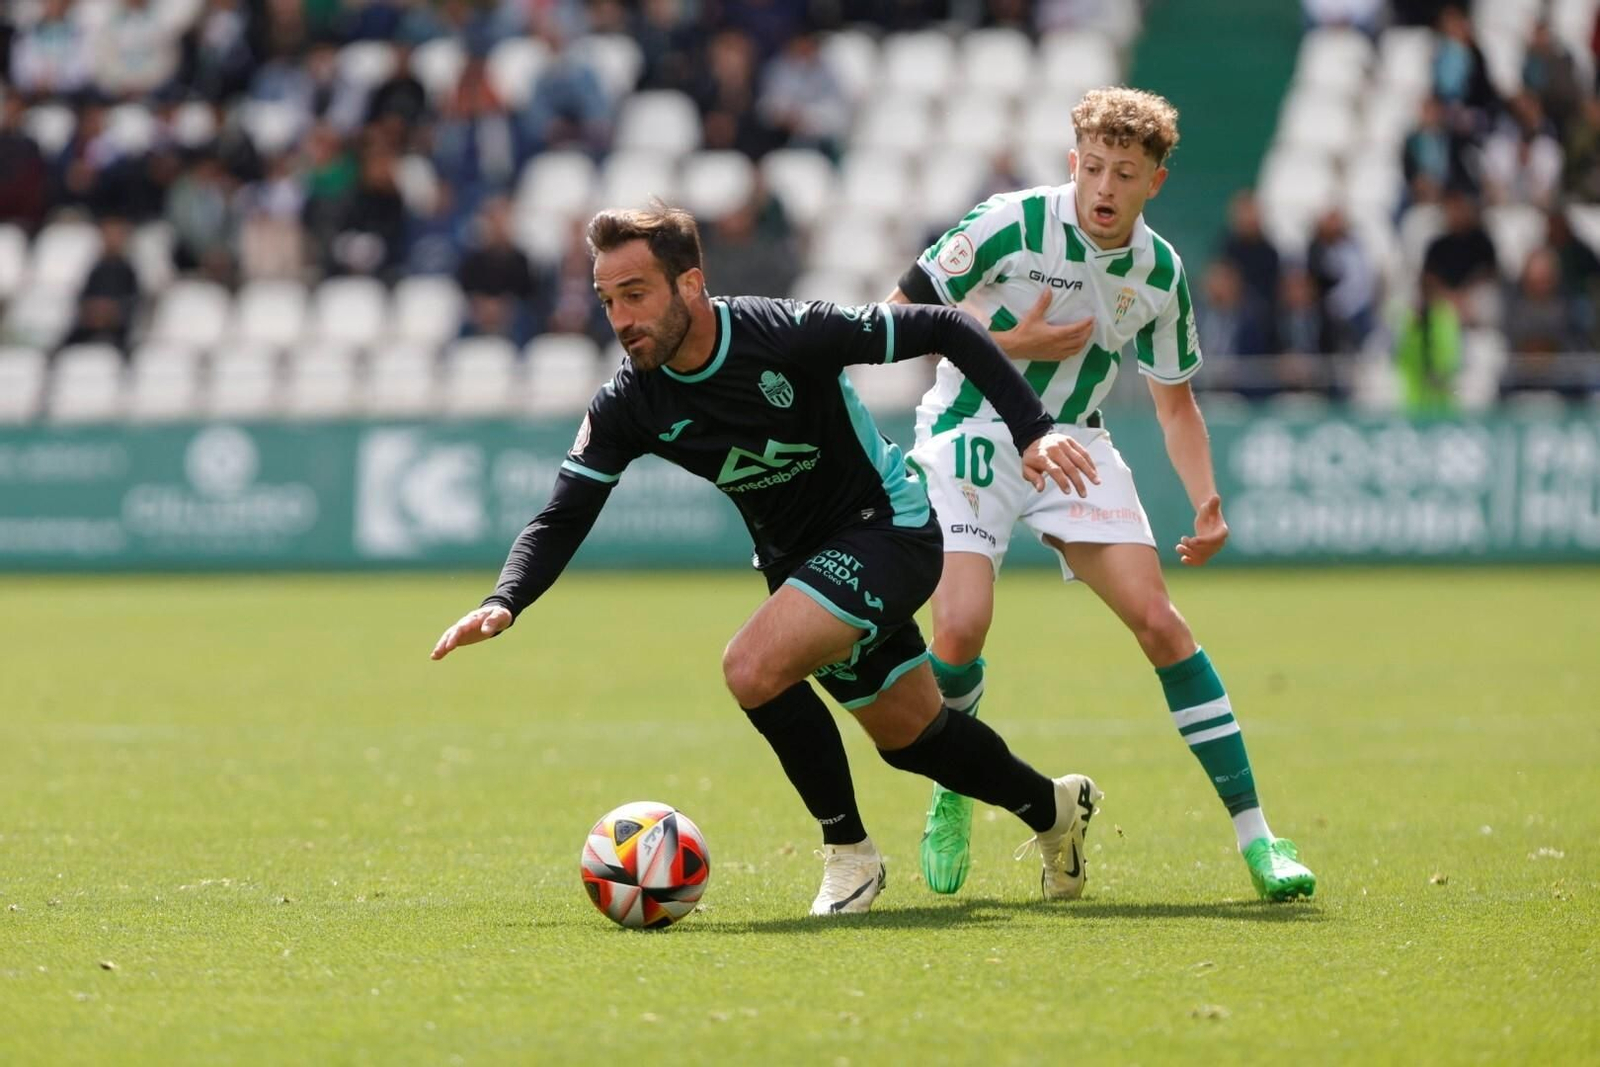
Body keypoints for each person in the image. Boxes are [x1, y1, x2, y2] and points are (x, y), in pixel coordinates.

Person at [431, 203, 1106, 916]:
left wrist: (1032, 431)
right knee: (913, 737)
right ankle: (1055, 809)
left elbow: (943, 325)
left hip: (887, 528)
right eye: (607, 300)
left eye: (636, 294)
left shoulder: (785, 331)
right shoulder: (630, 401)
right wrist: (506, 597)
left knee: (750, 666)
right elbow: (564, 512)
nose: (621, 318)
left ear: (690, 284)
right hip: (799, 564)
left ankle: (850, 854)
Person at [888, 87, 1316, 902]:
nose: (1105, 187)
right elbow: (893, 315)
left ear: (1155, 179)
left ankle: (1260, 838)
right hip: (974, 424)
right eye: (1093, 168)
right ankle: (955, 789)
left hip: (1076, 440)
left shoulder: (1160, 273)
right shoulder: (1007, 222)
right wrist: (1010, 342)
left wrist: (1207, 501)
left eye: (1126, 171)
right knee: (960, 625)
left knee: (1162, 622)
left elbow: (1175, 402)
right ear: (1071, 164)